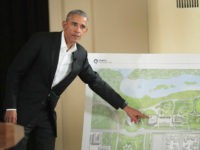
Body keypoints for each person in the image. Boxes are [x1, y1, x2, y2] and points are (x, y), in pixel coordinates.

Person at [3, 9, 148, 150]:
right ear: (64, 24)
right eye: (74, 24)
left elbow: (96, 82)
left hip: (46, 115)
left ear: (85, 31)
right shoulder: (41, 40)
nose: (78, 29)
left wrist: (125, 107)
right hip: (20, 112)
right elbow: (15, 72)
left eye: (82, 26)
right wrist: (11, 107)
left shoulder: (81, 55)